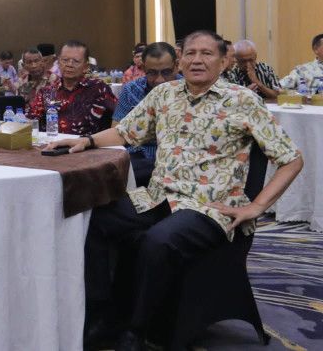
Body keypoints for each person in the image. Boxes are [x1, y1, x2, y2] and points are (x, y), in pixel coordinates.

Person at [47, 30, 303, 350]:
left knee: (158, 241)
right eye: (190, 53)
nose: (197, 60)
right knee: (95, 217)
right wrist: (86, 141)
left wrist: (256, 207)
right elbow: (126, 132)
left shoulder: (243, 101)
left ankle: (136, 331)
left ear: (223, 61)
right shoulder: (165, 94)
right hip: (158, 196)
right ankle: (103, 317)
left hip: (210, 206)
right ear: (180, 60)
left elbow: (291, 159)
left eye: (207, 54)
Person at [112, 42, 180, 186]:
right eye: (152, 73)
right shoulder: (131, 90)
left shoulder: (188, 90)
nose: (159, 80)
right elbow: (116, 129)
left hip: (175, 158)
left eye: (166, 72)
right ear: (143, 68)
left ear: (177, 66)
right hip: (137, 156)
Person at [26, 40, 117, 134]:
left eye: (76, 61)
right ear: (58, 62)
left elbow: (119, 117)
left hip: (88, 142)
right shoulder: (47, 92)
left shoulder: (98, 88)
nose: (69, 65)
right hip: (53, 141)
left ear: (86, 66)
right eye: (65, 60)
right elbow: (30, 120)